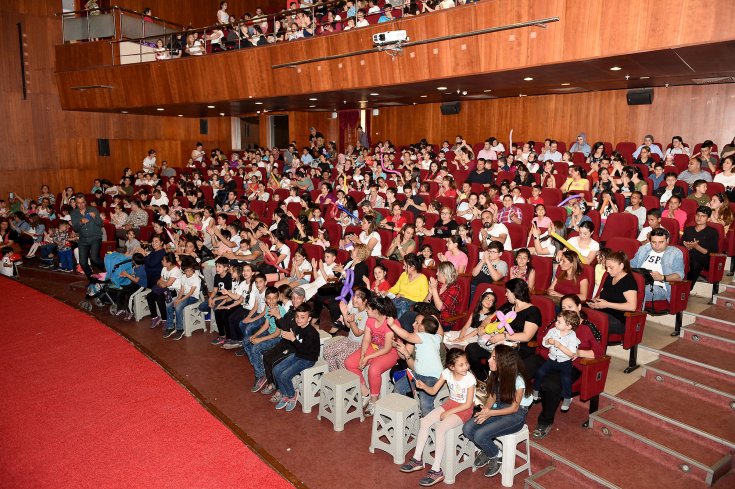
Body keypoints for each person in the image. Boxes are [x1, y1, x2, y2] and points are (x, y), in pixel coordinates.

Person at [526, 294, 605, 439]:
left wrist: (579, 352)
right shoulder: (557, 323)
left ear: (579, 307)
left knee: (550, 383)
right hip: (547, 357)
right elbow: (540, 337)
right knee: (523, 366)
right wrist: (548, 342)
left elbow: (600, 352)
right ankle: (513, 406)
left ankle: (545, 421)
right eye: (563, 308)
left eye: (571, 307)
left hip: (569, 364)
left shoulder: (588, 327)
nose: (567, 310)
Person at [399, 349, 476, 487]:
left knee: (441, 429)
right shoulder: (446, 373)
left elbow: (468, 404)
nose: (466, 367)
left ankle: (436, 470)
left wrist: (449, 412)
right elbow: (433, 390)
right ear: (451, 367)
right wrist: (423, 386)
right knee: (425, 421)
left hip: (464, 410)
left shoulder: (469, 379)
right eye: (461, 365)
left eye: (466, 363)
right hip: (451, 404)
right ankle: (417, 459)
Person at [462, 345, 532, 478]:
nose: (488, 360)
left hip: (516, 415)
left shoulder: (518, 380)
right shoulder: (495, 373)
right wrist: (486, 410)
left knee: (480, 435)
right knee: (468, 428)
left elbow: (514, 408)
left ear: (504, 361)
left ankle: (496, 455)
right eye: (490, 356)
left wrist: (490, 413)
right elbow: (493, 396)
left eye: (493, 357)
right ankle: (488, 449)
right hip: (499, 406)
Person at [465, 279, 541, 380]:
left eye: (507, 292)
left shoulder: (533, 311)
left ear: (515, 293)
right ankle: (483, 378)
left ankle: (495, 386)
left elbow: (527, 336)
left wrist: (504, 336)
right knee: (471, 349)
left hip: (519, 346)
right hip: (499, 342)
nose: (505, 294)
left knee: (495, 358)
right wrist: (483, 327)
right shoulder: (508, 306)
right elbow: (490, 318)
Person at [344, 295, 400, 415]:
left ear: (376, 311)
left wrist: (368, 357)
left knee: (373, 369)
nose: (366, 310)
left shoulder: (391, 323)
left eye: (368, 309)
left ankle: (374, 401)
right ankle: (365, 392)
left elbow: (387, 348)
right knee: (349, 362)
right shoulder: (370, 320)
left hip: (391, 352)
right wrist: (363, 355)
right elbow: (366, 340)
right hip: (374, 347)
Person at [388, 314, 444, 416]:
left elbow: (407, 336)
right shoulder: (436, 338)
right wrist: (436, 320)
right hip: (417, 374)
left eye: (417, 323)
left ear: (422, 327)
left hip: (432, 377)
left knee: (425, 403)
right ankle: (407, 413)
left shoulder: (422, 336)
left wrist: (392, 325)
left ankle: (429, 423)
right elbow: (441, 332)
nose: (414, 324)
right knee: (399, 387)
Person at [271, 303, 321, 411]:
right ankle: (284, 394)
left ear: (309, 318)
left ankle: (292, 395)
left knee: (284, 375)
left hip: (308, 359)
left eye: (302, 317)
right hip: (298, 354)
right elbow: (296, 345)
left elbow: (304, 349)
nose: (299, 319)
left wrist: (292, 339)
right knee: (276, 370)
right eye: (297, 316)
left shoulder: (312, 333)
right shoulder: (298, 327)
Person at [532, 310, 580, 411]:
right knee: (540, 372)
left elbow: (571, 353)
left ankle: (567, 397)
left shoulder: (572, 337)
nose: (555, 323)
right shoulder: (552, 331)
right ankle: (535, 389)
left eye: (559, 322)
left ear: (569, 326)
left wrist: (560, 346)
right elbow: (544, 343)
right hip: (552, 359)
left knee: (566, 379)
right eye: (556, 321)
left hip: (565, 363)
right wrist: (548, 341)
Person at [246, 286, 289, 392]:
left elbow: (277, 333)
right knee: (246, 341)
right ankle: (259, 366)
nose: (271, 301)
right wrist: (255, 335)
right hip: (270, 332)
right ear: (265, 299)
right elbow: (266, 325)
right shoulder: (268, 308)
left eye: (274, 298)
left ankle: (260, 375)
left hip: (279, 338)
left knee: (256, 348)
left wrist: (260, 340)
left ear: (278, 298)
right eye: (268, 298)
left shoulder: (280, 311)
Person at [323, 287, 370, 371]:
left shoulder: (367, 314)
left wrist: (351, 322)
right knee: (327, 351)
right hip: (349, 339)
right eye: (354, 296)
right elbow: (348, 326)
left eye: (358, 297)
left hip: (359, 344)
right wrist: (344, 314)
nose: (354, 299)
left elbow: (358, 333)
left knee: (340, 358)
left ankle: (345, 379)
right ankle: (335, 375)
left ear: (365, 301)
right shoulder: (354, 309)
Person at [681, 206, 720, 288]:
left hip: (703, 259)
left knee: (695, 263)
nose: (699, 218)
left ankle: (686, 289)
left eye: (703, 216)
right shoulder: (688, 230)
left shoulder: (712, 232)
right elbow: (680, 246)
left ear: (708, 219)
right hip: (687, 256)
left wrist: (696, 246)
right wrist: (687, 247)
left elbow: (713, 253)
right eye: (698, 215)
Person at [163, 258, 201, 340]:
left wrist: (179, 301)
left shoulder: (196, 278)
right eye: (186, 271)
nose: (188, 273)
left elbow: (191, 293)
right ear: (183, 271)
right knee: (169, 305)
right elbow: (182, 290)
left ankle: (180, 329)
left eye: (190, 271)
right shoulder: (183, 277)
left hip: (193, 298)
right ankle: (170, 326)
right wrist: (177, 299)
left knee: (178, 307)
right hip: (184, 296)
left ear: (193, 270)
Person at [70, 194, 105, 279]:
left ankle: (108, 269)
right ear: (76, 204)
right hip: (83, 239)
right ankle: (91, 278)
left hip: (95, 237)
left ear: (85, 202)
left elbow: (101, 224)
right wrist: (81, 222)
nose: (81, 205)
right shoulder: (74, 213)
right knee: (82, 262)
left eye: (82, 202)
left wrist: (95, 217)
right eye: (78, 203)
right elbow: (75, 228)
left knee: (94, 258)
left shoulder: (93, 209)